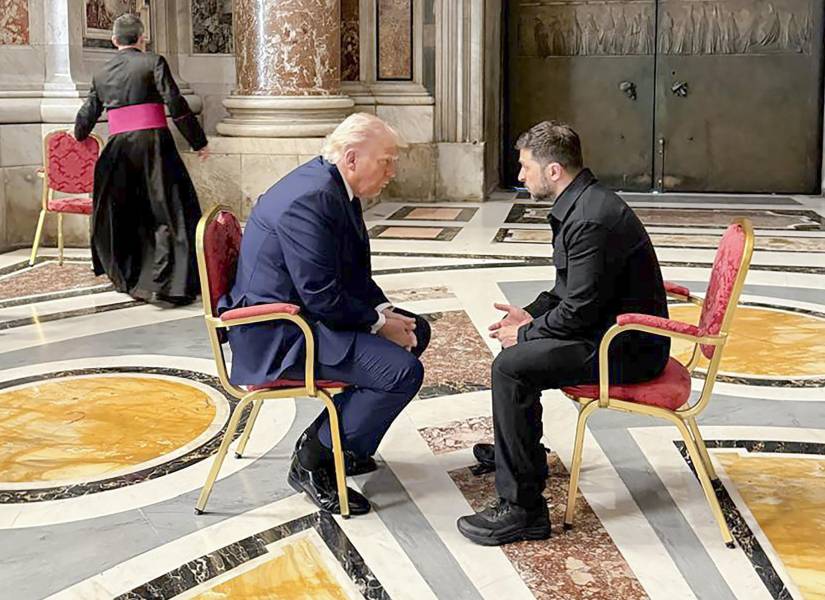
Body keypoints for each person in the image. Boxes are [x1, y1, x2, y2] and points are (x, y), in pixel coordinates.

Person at [457, 121, 670, 546]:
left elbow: (579, 310)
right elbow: (567, 292)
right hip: (608, 331)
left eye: (525, 167)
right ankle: (521, 460)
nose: (520, 176)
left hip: (626, 347)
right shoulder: (583, 205)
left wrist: (529, 333)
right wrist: (530, 315)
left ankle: (524, 510)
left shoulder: (590, 219)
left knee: (512, 367)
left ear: (553, 170)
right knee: (517, 360)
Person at [219, 113, 430, 516]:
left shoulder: (332, 185)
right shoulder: (311, 198)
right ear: (352, 158)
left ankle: (347, 442)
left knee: (418, 330)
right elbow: (321, 294)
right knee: (401, 372)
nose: (393, 170)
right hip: (279, 333)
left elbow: (348, 272)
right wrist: (380, 324)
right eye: (386, 160)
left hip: (306, 315)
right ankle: (314, 458)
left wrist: (384, 311)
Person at [74, 13, 209, 305]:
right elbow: (175, 103)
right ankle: (170, 283)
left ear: (113, 40)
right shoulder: (153, 62)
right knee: (170, 211)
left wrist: (79, 135)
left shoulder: (100, 73)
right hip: (154, 146)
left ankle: (131, 277)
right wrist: (198, 141)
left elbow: (87, 113)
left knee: (128, 214)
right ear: (142, 38)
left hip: (119, 149)